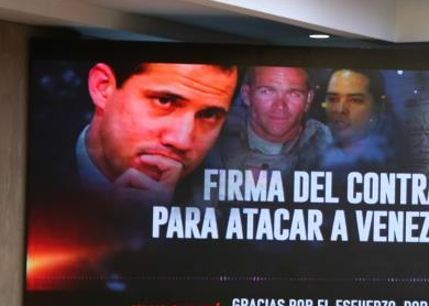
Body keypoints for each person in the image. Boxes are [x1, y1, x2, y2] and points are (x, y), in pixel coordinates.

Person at [78, 62, 239, 204]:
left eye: (208, 115)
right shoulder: (52, 162)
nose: (181, 141)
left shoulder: (223, 212)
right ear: (102, 87)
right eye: (164, 101)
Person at [206, 66, 331, 175]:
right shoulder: (209, 144)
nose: (280, 105)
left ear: (308, 99)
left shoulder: (328, 146)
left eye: (293, 93)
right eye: (267, 92)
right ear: (246, 95)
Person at [322, 68, 407, 171]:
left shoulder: (393, 159)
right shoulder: (313, 154)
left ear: (378, 106)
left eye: (355, 100)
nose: (340, 109)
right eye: (333, 99)